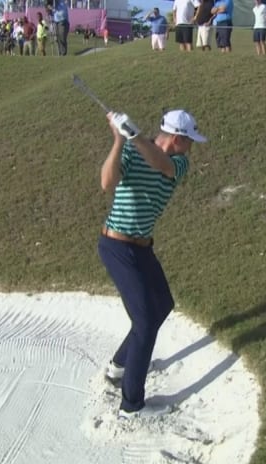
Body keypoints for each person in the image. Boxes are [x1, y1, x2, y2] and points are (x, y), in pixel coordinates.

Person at [99, 109, 207, 419]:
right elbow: (107, 183)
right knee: (145, 322)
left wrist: (134, 136)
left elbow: (161, 164)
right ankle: (131, 406)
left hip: (142, 248)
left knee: (162, 306)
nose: (192, 147)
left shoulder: (179, 163)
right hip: (116, 246)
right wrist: (119, 140)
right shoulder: (133, 150)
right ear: (178, 138)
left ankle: (119, 366)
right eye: (190, 141)